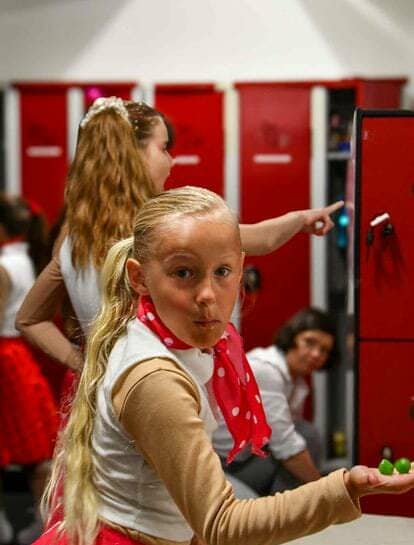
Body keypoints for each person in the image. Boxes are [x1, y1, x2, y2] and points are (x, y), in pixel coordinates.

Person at [2, 187, 413, 545]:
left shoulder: (155, 339)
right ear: (139, 278)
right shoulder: (155, 378)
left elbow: (141, 490)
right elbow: (223, 525)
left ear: (241, 267)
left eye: (223, 272)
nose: (208, 295)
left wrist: (190, 543)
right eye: (184, 273)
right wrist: (347, 485)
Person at [15, 96, 343, 379]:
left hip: (103, 393)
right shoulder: (160, 226)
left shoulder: (73, 236)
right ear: (133, 156)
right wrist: (300, 219)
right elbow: (258, 239)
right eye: (163, 148)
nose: (171, 161)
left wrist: (86, 364)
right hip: (158, 385)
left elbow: (29, 319)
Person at [213, 307, 338, 497]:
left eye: (324, 350)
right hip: (222, 466)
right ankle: (282, 511)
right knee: (300, 444)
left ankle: (288, 509)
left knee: (306, 433)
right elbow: (287, 447)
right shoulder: (267, 370)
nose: (316, 354)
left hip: (245, 458)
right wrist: (327, 492)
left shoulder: (297, 383)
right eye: (310, 342)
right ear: (292, 337)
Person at [0, 195, 60, 545]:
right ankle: (44, 522)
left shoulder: (3, 265)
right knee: (35, 446)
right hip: (18, 356)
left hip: (5, 357)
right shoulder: (24, 258)